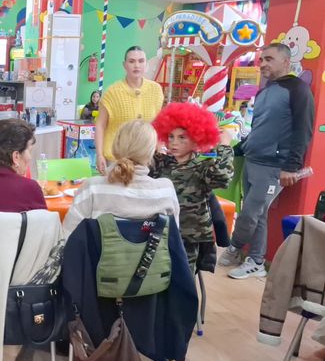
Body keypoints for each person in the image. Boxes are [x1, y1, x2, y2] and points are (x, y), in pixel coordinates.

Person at [220, 43, 315, 279]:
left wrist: (291, 166)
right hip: (252, 160)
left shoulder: (298, 89)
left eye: (269, 59)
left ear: (286, 61)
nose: (262, 64)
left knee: (250, 213)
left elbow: (304, 129)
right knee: (258, 214)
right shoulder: (264, 91)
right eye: (262, 59)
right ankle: (256, 260)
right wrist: (238, 149)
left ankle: (234, 247)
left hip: (274, 165)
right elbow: (258, 128)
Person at [150, 102, 234, 273]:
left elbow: (222, 177)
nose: (174, 142)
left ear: (196, 139)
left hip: (189, 237)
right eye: (171, 136)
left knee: (184, 278)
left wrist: (225, 146)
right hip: (159, 232)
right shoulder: (161, 163)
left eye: (182, 137)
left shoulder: (203, 167)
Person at [63, 120, 179, 236]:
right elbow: (172, 237)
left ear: (115, 146)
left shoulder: (92, 188)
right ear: (151, 151)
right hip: (154, 248)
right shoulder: (166, 191)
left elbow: (69, 237)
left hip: (97, 248)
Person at [94, 46, 164, 174]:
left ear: (146, 64)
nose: (136, 65)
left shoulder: (156, 90)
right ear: (124, 65)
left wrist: (159, 149)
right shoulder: (112, 92)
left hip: (145, 159)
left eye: (141, 61)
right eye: (131, 61)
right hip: (116, 159)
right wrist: (99, 155)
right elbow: (100, 125)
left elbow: (158, 123)